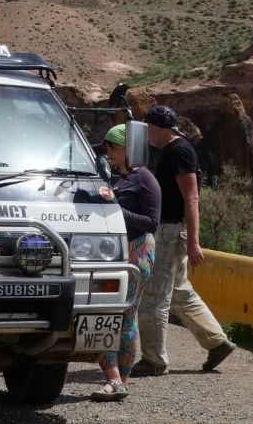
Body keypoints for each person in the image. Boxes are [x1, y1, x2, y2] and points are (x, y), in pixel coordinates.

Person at [132, 105, 236, 376]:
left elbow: (192, 197)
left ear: (159, 126)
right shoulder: (173, 150)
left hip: (169, 232)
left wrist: (193, 241)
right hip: (170, 230)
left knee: (154, 295)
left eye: (149, 127)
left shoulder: (178, 151)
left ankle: (154, 360)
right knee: (179, 291)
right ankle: (217, 342)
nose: (147, 133)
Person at [90, 123, 161, 402]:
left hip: (136, 250)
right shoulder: (106, 173)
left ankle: (121, 379)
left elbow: (151, 222)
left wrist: (117, 207)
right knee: (102, 312)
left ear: (128, 150)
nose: (107, 152)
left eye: (113, 148)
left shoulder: (144, 179)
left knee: (125, 315)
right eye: (105, 147)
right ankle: (114, 378)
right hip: (108, 250)